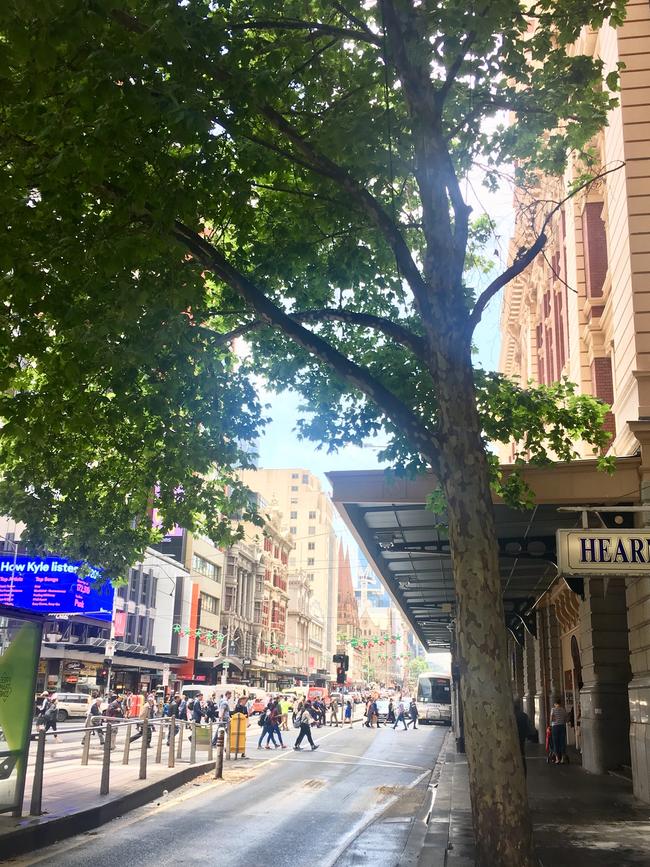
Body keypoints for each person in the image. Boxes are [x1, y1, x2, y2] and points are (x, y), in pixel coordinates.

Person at [514, 698, 535, 776]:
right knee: (522, 759)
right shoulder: (524, 716)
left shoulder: (508, 716)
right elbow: (532, 731)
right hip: (521, 741)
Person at [550, 697, 569, 764]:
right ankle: (563, 759)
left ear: (555, 703)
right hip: (562, 727)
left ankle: (557, 759)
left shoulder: (553, 709)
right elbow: (566, 719)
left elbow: (551, 719)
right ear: (560, 703)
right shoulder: (563, 710)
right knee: (562, 742)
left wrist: (552, 722)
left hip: (555, 727)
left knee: (555, 742)